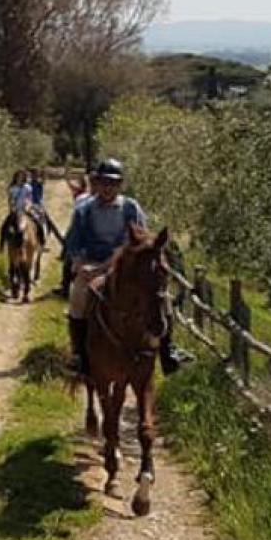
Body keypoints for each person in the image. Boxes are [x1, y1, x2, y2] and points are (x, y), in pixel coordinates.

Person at [61, 156, 189, 378]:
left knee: (161, 298)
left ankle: (168, 351)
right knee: (78, 297)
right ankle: (79, 354)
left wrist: (110, 266)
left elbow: (141, 241)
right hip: (92, 262)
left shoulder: (131, 207)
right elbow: (73, 242)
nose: (108, 187)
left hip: (127, 265)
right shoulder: (85, 209)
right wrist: (80, 265)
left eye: (113, 183)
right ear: (97, 183)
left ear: (120, 185)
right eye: (104, 182)